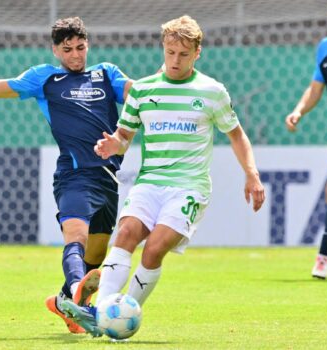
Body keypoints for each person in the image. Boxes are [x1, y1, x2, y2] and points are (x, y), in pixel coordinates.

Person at [61, 15, 265, 337]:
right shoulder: (143, 90)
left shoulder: (212, 92)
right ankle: (101, 315)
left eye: (183, 54)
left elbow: (237, 135)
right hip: (149, 183)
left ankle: (122, 312)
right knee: (126, 234)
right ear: (163, 48)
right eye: (170, 52)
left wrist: (251, 174)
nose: (175, 60)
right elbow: (124, 135)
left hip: (189, 188)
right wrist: (113, 144)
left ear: (197, 53)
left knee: (154, 248)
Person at [0, 17, 132, 333]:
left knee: (96, 255)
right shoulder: (45, 78)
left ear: (88, 46)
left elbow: (138, 92)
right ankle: (79, 293)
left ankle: (65, 300)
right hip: (74, 175)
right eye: (67, 50)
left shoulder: (106, 74)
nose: (76, 56)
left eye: (80, 48)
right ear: (56, 50)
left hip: (108, 179)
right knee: (77, 237)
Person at [285, 1, 327, 279]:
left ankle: (322, 257)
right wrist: (298, 111)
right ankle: (324, 257)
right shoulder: (326, 48)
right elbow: (316, 89)